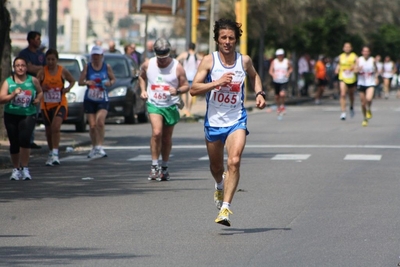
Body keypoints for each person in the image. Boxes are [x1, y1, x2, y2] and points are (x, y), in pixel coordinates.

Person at [190, 18, 266, 227]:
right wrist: (217, 82)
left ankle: (225, 208)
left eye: (231, 38)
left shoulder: (244, 61)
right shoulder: (209, 61)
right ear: (217, 40)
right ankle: (219, 184)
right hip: (214, 122)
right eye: (223, 37)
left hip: (236, 120)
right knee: (216, 167)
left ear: (236, 40)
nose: (227, 41)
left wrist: (259, 92)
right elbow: (194, 89)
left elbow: (255, 75)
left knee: (234, 161)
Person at [139, 38, 189, 181]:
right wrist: (143, 90)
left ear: (169, 53)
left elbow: (186, 85)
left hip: (171, 105)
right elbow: (141, 76)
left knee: (166, 138)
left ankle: (165, 167)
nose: (161, 61)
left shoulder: (177, 66)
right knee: (157, 132)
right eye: (159, 58)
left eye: (164, 58)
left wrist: (178, 90)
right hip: (154, 104)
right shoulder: (148, 64)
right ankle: (154, 166)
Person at [0, 57, 43, 180]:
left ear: (26, 67)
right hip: (11, 114)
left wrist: (38, 99)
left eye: (23, 65)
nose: (20, 67)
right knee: (14, 142)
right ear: (14, 67)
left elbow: (40, 92)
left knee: (25, 139)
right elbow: (1, 99)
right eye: (17, 65)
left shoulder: (33, 80)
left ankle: (25, 168)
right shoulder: (8, 82)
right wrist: (13, 94)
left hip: (28, 114)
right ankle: (15, 169)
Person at [37, 49, 76, 166]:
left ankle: (55, 153)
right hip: (46, 104)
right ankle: (51, 152)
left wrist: (67, 89)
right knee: (49, 131)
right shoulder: (42, 72)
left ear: (56, 60)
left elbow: (72, 81)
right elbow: (35, 84)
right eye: (48, 59)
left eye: (53, 59)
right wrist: (41, 88)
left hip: (60, 103)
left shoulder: (62, 70)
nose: (50, 62)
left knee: (56, 127)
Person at [78, 46, 116, 158]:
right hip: (90, 99)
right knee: (92, 125)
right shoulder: (87, 67)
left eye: (98, 55)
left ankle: (100, 146)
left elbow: (113, 79)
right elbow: (80, 82)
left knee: (100, 122)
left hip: (102, 98)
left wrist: (110, 83)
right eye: (94, 55)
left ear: (101, 56)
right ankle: (94, 147)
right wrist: (87, 82)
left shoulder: (106, 67)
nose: (96, 57)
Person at [18, 31, 46, 149]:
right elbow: (28, 67)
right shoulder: (24, 53)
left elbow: (45, 69)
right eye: (37, 39)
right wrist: (38, 68)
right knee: (23, 113)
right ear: (31, 40)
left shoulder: (41, 55)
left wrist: (38, 69)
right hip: (25, 88)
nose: (39, 41)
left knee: (33, 114)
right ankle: (21, 139)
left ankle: (30, 139)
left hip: (37, 88)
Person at [176, 42, 202, 117]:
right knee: (191, 94)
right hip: (193, 76)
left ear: (188, 47)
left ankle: (185, 109)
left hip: (185, 76)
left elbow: (176, 60)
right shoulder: (196, 55)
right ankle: (189, 110)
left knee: (184, 93)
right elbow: (203, 59)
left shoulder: (185, 54)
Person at [335, 42, 358, 120]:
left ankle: (351, 106)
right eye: (345, 47)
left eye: (348, 47)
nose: (347, 48)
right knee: (343, 94)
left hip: (351, 78)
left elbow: (357, 65)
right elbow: (339, 64)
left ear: (351, 48)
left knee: (351, 94)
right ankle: (343, 112)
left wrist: (355, 68)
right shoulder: (341, 56)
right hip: (343, 77)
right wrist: (337, 69)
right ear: (343, 48)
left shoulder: (354, 56)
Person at [355, 46, 376, 127]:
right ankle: (365, 118)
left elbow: (376, 70)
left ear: (369, 52)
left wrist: (376, 77)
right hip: (361, 83)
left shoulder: (372, 60)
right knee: (363, 103)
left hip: (370, 82)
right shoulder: (359, 60)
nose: (365, 53)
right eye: (364, 51)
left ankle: (369, 109)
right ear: (362, 52)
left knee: (369, 98)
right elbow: (354, 70)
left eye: (367, 51)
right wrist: (358, 69)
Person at [268, 48, 292, 114]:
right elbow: (270, 71)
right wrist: (273, 75)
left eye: (281, 55)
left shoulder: (286, 61)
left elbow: (291, 68)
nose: (280, 56)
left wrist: (288, 73)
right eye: (278, 55)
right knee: (277, 96)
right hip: (276, 80)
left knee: (282, 94)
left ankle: (282, 105)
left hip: (284, 80)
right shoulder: (274, 62)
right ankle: (278, 106)